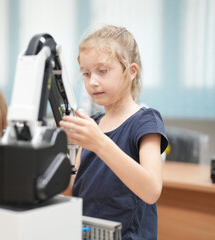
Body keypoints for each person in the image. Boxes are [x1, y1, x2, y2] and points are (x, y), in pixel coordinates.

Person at [60, 24, 168, 240]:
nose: (93, 81)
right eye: (86, 73)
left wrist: (99, 142)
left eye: (102, 70)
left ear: (131, 71)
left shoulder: (146, 121)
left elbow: (151, 190)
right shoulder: (93, 124)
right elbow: (74, 189)